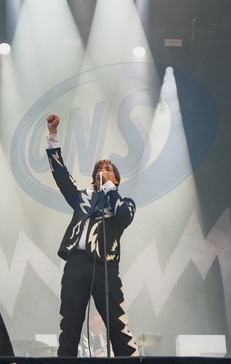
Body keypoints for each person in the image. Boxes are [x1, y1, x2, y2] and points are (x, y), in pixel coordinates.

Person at [45, 113, 138, 357]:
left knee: (117, 325)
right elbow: (61, 176)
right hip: (76, 263)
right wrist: (53, 135)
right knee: (69, 326)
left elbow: (124, 216)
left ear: (116, 178)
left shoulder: (123, 203)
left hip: (105, 265)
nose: (102, 170)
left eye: (108, 169)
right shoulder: (82, 197)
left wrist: (109, 188)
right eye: (99, 169)